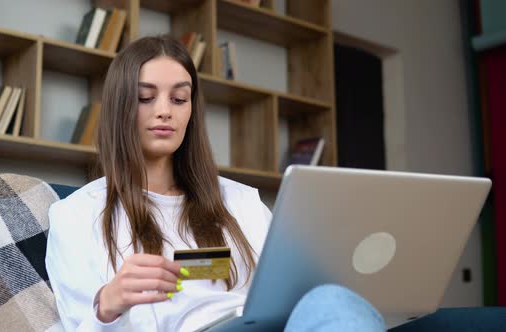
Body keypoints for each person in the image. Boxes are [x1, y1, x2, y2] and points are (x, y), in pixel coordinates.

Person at [45, 35, 385, 332]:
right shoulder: (76, 215)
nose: (165, 111)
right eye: (146, 98)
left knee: (335, 299)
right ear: (120, 107)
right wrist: (107, 306)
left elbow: (287, 295)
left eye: (179, 99)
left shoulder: (241, 202)